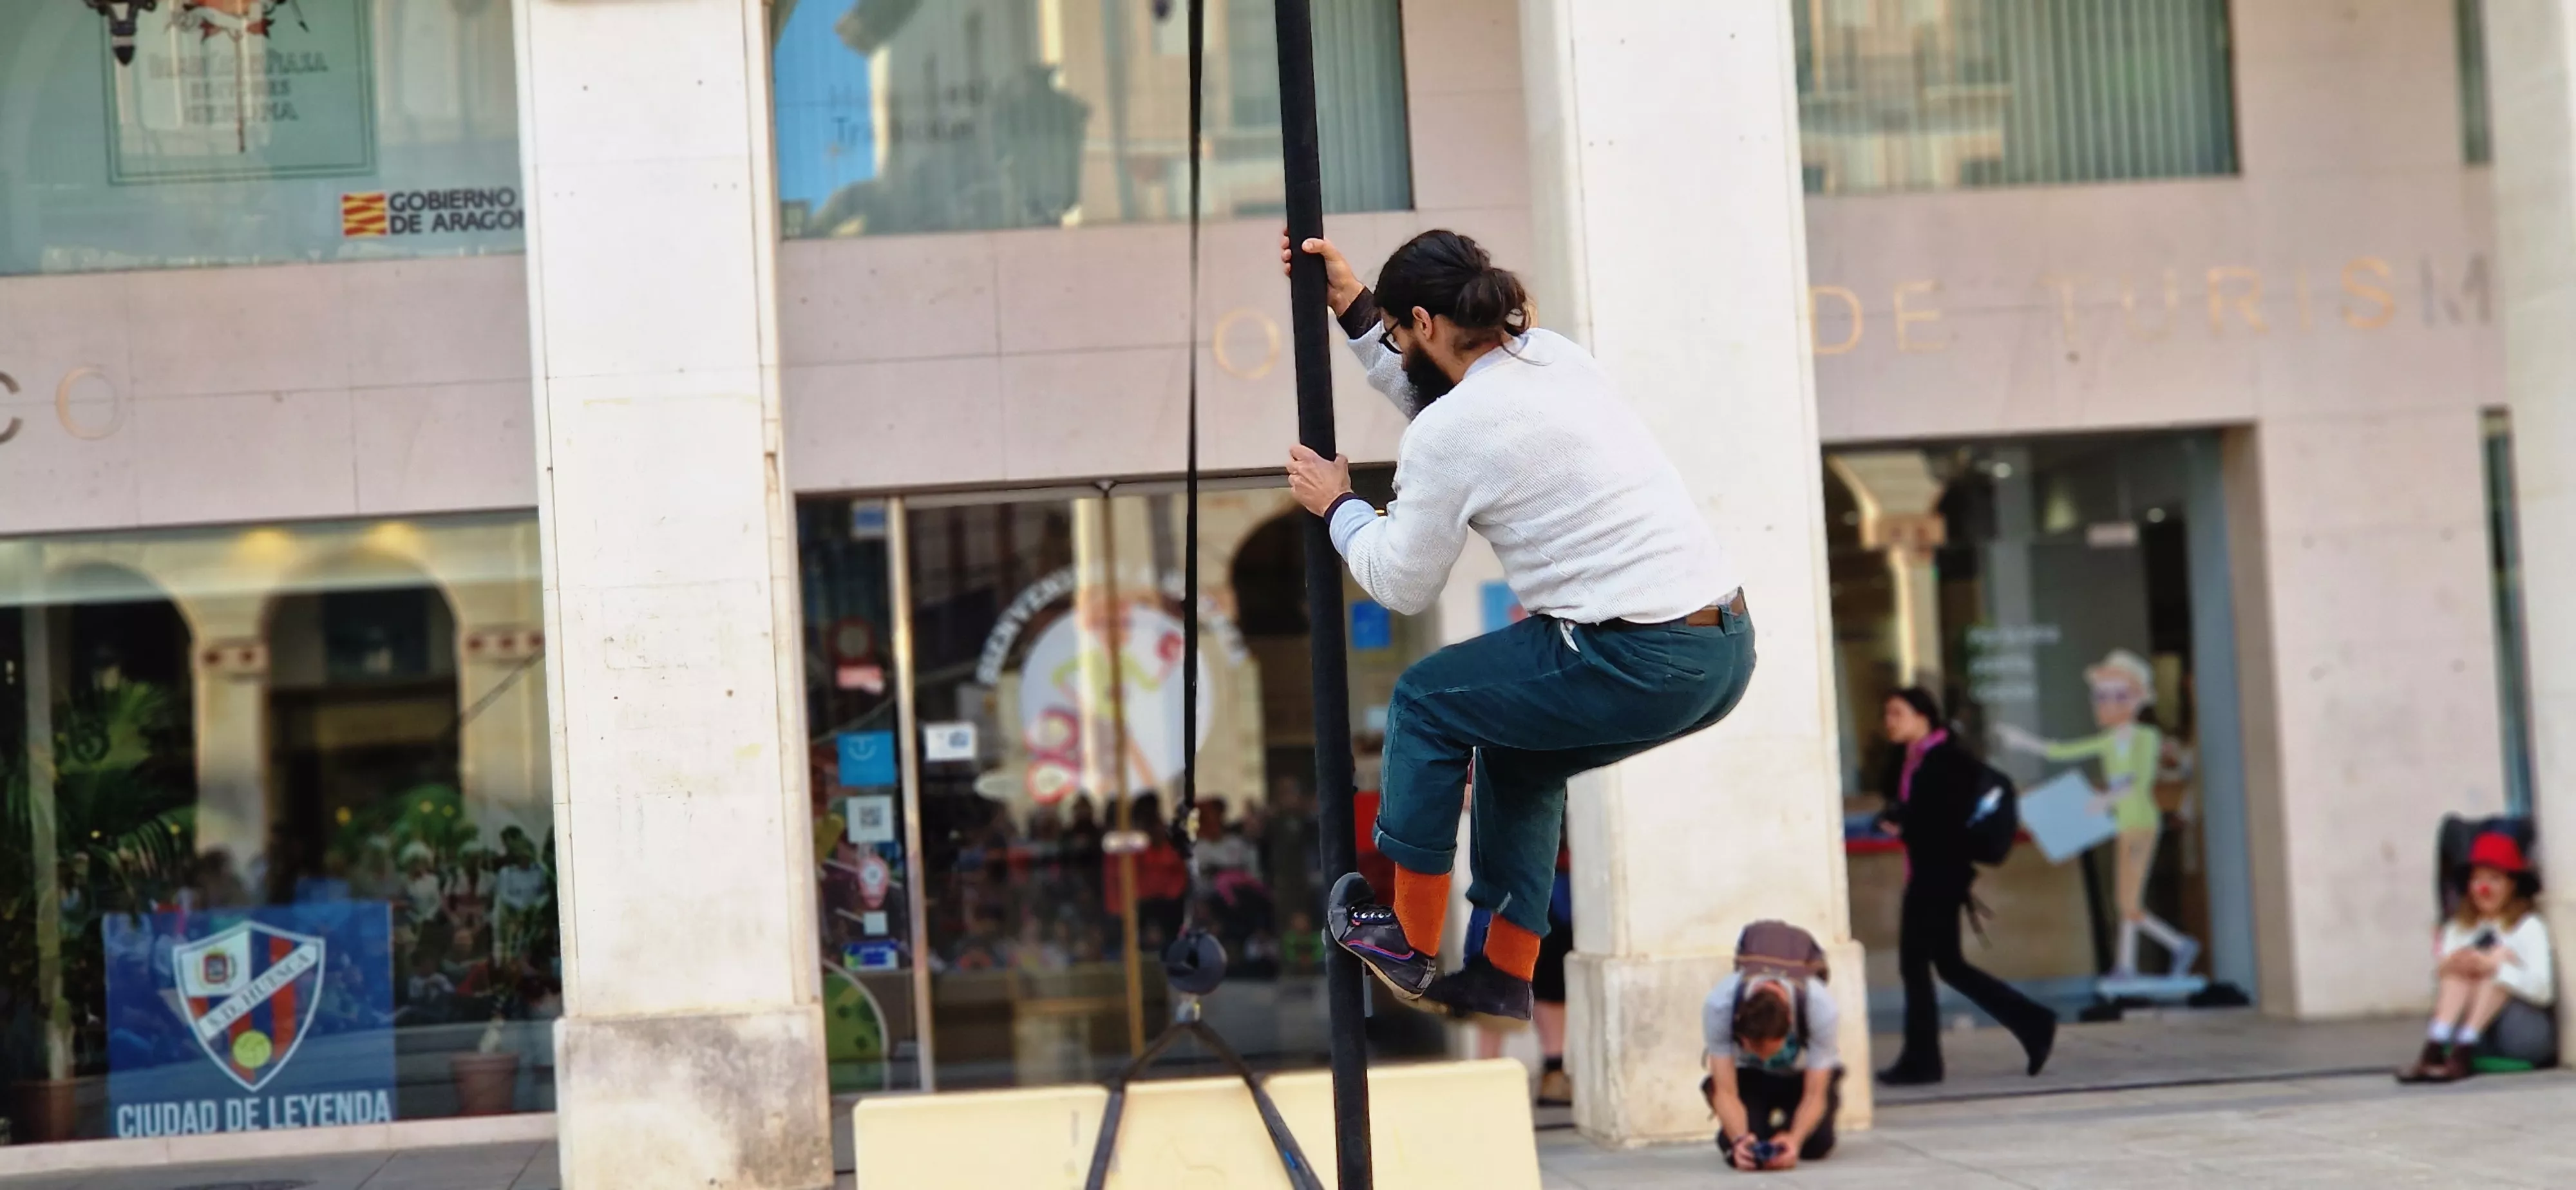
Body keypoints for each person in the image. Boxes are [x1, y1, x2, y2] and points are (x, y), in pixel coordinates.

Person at [1283, 229, 1755, 1024]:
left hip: (1635, 650)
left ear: (1425, 323)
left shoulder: (1451, 430)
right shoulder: (1553, 357)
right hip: (1722, 649)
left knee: (1426, 702)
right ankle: (1502, 972)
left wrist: (1339, 507)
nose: (1396, 349)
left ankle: (1406, 939)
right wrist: (1358, 311)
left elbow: (1400, 582)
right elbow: (1455, 414)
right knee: (1516, 754)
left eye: (1397, 334)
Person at [1873, 688, 2057, 1086]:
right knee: (1946, 965)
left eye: (1898, 713)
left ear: (1923, 717)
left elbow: (1945, 822)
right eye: (1888, 714)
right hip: (1927, 873)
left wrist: (1906, 826)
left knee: (1918, 965)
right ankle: (2033, 1022)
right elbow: (1910, 808)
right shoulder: (1909, 759)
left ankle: (1923, 1061)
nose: (1890, 721)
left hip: (1941, 876)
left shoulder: (1948, 760)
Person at [1998, 648, 2199, 981]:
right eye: (2101, 696)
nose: (2107, 704)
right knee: (2127, 901)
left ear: (2139, 699)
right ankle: (2130, 965)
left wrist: (2107, 799)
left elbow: (2139, 780)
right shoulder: (2108, 740)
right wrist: (2023, 742)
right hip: (2125, 825)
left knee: (2128, 903)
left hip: (2140, 824)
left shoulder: (2147, 738)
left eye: (2118, 696)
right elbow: (2064, 750)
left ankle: (2173, 947)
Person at [2398, 831, 2557, 1082]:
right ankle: (2435, 1048)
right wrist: (2451, 965)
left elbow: (2544, 991)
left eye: (2494, 879)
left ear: (2512, 885)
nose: (2484, 888)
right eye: (2477, 879)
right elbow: (2446, 985)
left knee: (2498, 960)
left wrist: (2497, 968)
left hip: (2520, 1037)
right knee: (2462, 966)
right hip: (2474, 1035)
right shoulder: (2458, 927)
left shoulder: (2529, 927)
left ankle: (2463, 1047)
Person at [1701, 959, 1841, 1171]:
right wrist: (1740, 1141)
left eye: (1772, 1053)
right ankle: (1761, 1133)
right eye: (1755, 1051)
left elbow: (1815, 1094)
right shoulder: (1720, 1005)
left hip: (1800, 1075)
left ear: (1789, 1027)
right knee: (1735, 1146)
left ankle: (1780, 1133)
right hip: (1751, 1076)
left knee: (1817, 1144)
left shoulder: (1819, 1006)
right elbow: (1725, 1091)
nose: (1766, 1060)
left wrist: (1795, 1139)